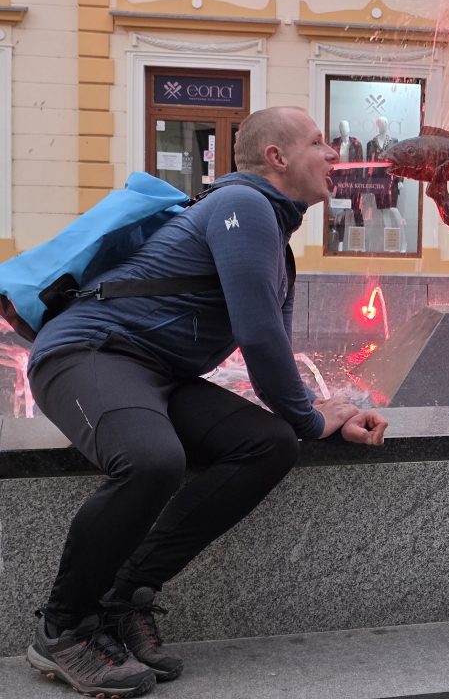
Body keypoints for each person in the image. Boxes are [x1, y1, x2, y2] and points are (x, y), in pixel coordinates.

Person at [24, 106, 388, 698]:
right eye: (319, 142)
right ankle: (64, 629)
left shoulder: (275, 240)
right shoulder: (243, 205)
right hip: (87, 353)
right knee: (150, 459)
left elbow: (275, 353)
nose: (333, 155)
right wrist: (309, 419)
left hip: (158, 373)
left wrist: (327, 414)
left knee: (268, 444)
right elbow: (259, 337)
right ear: (277, 157)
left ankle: (124, 597)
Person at [329, 119, 364, 195]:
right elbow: (330, 163)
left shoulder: (356, 144)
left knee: (352, 198)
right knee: (339, 198)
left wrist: (359, 181)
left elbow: (360, 164)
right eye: (341, 127)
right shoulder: (334, 145)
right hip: (338, 176)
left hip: (352, 177)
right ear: (339, 130)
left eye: (345, 127)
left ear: (349, 128)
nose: (344, 129)